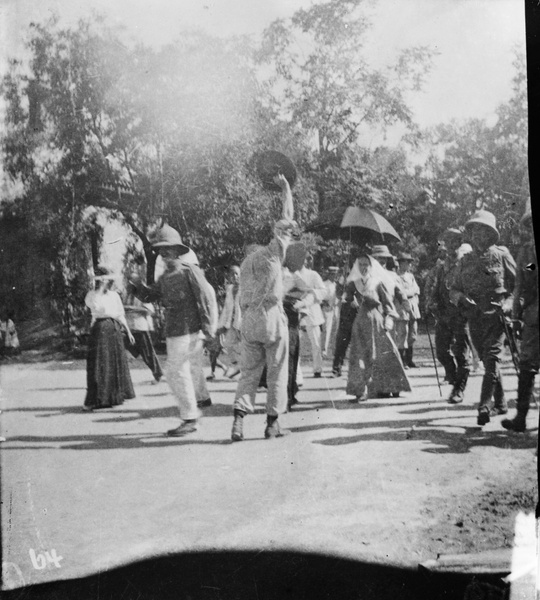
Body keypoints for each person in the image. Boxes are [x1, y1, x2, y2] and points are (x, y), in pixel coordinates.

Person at [129, 225, 216, 437]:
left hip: (189, 331)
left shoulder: (190, 271)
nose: (163, 254)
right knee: (175, 373)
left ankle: (190, 418)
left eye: (167, 250)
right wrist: (137, 286)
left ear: (178, 250)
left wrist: (208, 331)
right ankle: (190, 414)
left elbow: (205, 300)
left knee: (178, 372)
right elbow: (151, 296)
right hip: (174, 332)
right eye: (160, 250)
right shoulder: (166, 277)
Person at [231, 173, 296, 442]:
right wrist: (286, 189)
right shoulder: (272, 254)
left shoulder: (246, 265)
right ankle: (272, 424)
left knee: (248, 373)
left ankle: (238, 420)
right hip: (270, 317)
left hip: (249, 320)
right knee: (277, 370)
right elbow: (288, 218)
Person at [450, 210, 516, 426]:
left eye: (483, 232)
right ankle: (501, 403)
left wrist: (508, 303)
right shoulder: (465, 261)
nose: (478, 236)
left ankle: (484, 406)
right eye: (475, 232)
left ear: (490, 234)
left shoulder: (502, 254)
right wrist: (461, 298)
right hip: (475, 320)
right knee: (489, 361)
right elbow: (454, 290)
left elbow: (518, 285)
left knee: (492, 361)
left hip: (497, 318)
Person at [345, 253, 410, 402]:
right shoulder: (353, 283)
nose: (363, 268)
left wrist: (389, 318)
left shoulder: (377, 282)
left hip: (376, 321)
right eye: (360, 265)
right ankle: (361, 390)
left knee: (384, 354)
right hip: (360, 322)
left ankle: (391, 386)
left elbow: (388, 303)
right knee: (359, 355)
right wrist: (350, 301)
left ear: (370, 266)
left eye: (366, 265)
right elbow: (344, 297)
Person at [425, 228, 471, 403]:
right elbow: (437, 288)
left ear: (459, 242)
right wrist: (431, 302)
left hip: (461, 316)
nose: (450, 245)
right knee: (441, 352)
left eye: (454, 241)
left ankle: (459, 390)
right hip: (444, 316)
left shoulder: (466, 263)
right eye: (448, 241)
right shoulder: (442, 266)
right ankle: (452, 375)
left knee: (462, 354)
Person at [502, 210, 538, 432]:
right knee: (527, 365)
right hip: (534, 317)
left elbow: (523, 286)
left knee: (527, 365)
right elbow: (523, 285)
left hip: (534, 315)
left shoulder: (529, 253)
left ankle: (521, 418)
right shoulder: (527, 254)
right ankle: (521, 418)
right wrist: (516, 316)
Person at [84, 266, 136, 411]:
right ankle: (99, 399)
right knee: (101, 363)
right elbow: (96, 308)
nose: (107, 284)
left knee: (115, 362)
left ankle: (115, 397)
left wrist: (128, 332)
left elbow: (120, 314)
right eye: (104, 281)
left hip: (114, 329)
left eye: (108, 281)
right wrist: (100, 290)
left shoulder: (114, 296)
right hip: (100, 329)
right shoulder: (92, 295)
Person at [124, 258, 164, 383]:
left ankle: (158, 374)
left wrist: (133, 309)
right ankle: (122, 378)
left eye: (130, 282)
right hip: (130, 328)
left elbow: (149, 310)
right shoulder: (126, 295)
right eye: (128, 282)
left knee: (147, 353)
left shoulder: (142, 294)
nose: (128, 284)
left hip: (141, 327)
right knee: (124, 351)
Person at [296, 255, 327, 378]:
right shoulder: (289, 275)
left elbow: (323, 291)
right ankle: (295, 371)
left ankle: (317, 369)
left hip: (312, 312)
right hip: (296, 311)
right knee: (295, 343)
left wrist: (312, 293)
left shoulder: (313, 274)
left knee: (316, 343)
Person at [216, 265, 242, 379]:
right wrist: (221, 324)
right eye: (232, 274)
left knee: (246, 346)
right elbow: (227, 307)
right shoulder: (230, 289)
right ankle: (237, 366)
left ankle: (246, 367)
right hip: (231, 322)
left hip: (243, 323)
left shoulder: (245, 288)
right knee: (228, 344)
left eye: (237, 273)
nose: (235, 276)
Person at [396, 252, 421, 368]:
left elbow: (417, 289)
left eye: (409, 263)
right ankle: (402, 360)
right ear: (400, 263)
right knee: (403, 334)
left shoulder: (411, 276)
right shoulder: (396, 276)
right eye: (406, 262)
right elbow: (401, 293)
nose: (409, 265)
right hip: (402, 308)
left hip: (413, 306)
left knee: (413, 334)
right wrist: (411, 292)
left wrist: (412, 292)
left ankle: (409, 359)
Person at [321, 266, 340, 359]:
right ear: (329, 274)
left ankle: (333, 350)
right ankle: (324, 350)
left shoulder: (337, 285)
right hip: (327, 308)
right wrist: (325, 302)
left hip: (335, 308)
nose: (334, 276)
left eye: (335, 274)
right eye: (332, 274)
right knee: (326, 330)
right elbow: (321, 297)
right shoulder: (324, 284)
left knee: (335, 329)